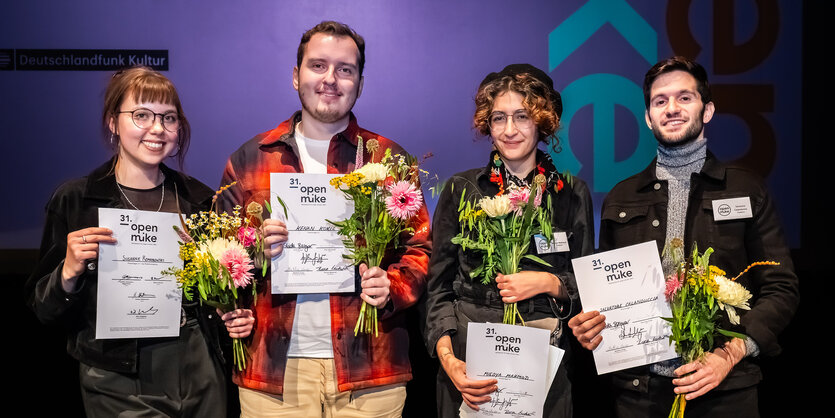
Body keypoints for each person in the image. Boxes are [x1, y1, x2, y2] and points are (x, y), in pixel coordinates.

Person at [215, 21, 430, 417]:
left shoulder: (387, 158)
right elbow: (218, 262)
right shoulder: (248, 159)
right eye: (318, 66)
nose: (331, 79)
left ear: (360, 83)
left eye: (345, 69)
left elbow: (419, 251)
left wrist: (391, 287)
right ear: (296, 76)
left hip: (370, 368)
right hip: (274, 372)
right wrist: (254, 253)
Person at [568, 56, 800, 417]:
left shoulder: (746, 188)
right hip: (638, 394)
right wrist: (591, 327)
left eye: (684, 98)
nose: (671, 108)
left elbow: (781, 287)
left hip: (726, 389)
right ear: (648, 117)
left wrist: (730, 354)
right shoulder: (621, 196)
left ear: (707, 110)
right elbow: (605, 296)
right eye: (660, 101)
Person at [25, 66, 231, 417]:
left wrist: (228, 310)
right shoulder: (77, 200)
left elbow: (217, 294)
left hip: (199, 367)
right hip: (116, 375)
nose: (156, 128)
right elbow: (43, 308)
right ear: (112, 122)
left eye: (168, 118)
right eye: (141, 115)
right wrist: (68, 273)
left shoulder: (199, 199)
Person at [424, 64, 594, 417]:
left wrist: (549, 282)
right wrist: (449, 361)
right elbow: (437, 290)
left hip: (544, 356)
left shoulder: (571, 192)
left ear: (543, 121)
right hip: (468, 362)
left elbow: (587, 288)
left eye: (522, 116)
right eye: (499, 118)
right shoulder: (462, 189)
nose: (510, 130)